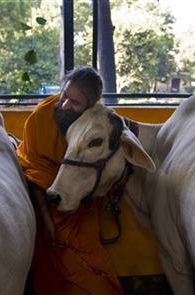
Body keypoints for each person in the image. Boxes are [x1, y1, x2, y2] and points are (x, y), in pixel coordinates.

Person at [17, 66, 123, 294]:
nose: (65, 105)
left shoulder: (92, 121)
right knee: (53, 271)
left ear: (90, 106)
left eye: (75, 103)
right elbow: (33, 171)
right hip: (44, 205)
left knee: (92, 268)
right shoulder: (40, 118)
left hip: (80, 210)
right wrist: (46, 220)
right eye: (65, 95)